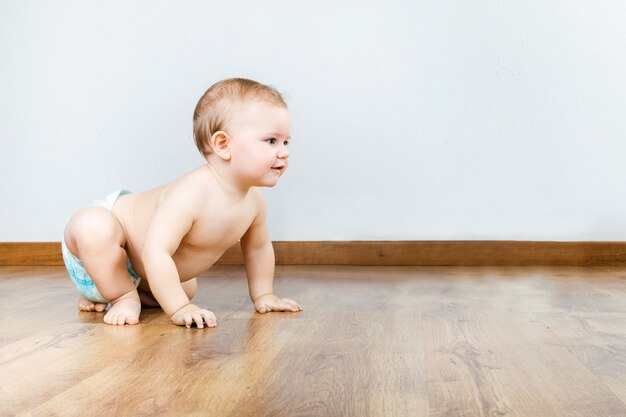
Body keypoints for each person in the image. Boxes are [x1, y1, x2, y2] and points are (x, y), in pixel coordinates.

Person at [62, 78, 302, 328]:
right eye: (271, 141)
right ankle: (121, 296)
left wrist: (264, 295)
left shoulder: (254, 202)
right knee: (93, 226)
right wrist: (179, 308)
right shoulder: (192, 193)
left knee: (184, 287)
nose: (283, 152)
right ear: (223, 145)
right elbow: (155, 251)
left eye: (286, 142)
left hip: (140, 273)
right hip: (95, 250)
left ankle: (113, 291)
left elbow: (258, 249)